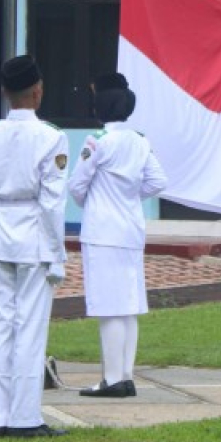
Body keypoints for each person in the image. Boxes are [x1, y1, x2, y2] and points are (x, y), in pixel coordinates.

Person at [0, 55, 69, 439]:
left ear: (3, 92)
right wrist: (57, 254)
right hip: (33, 238)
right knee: (29, 328)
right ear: (38, 90)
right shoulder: (51, 137)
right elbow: (51, 203)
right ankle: (25, 417)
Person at [70, 72, 167, 398]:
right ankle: (125, 375)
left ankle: (112, 379)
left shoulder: (97, 141)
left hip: (102, 230)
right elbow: (157, 183)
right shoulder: (140, 141)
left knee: (109, 306)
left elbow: (77, 186)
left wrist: (99, 201)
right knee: (128, 304)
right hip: (130, 228)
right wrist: (127, 197)